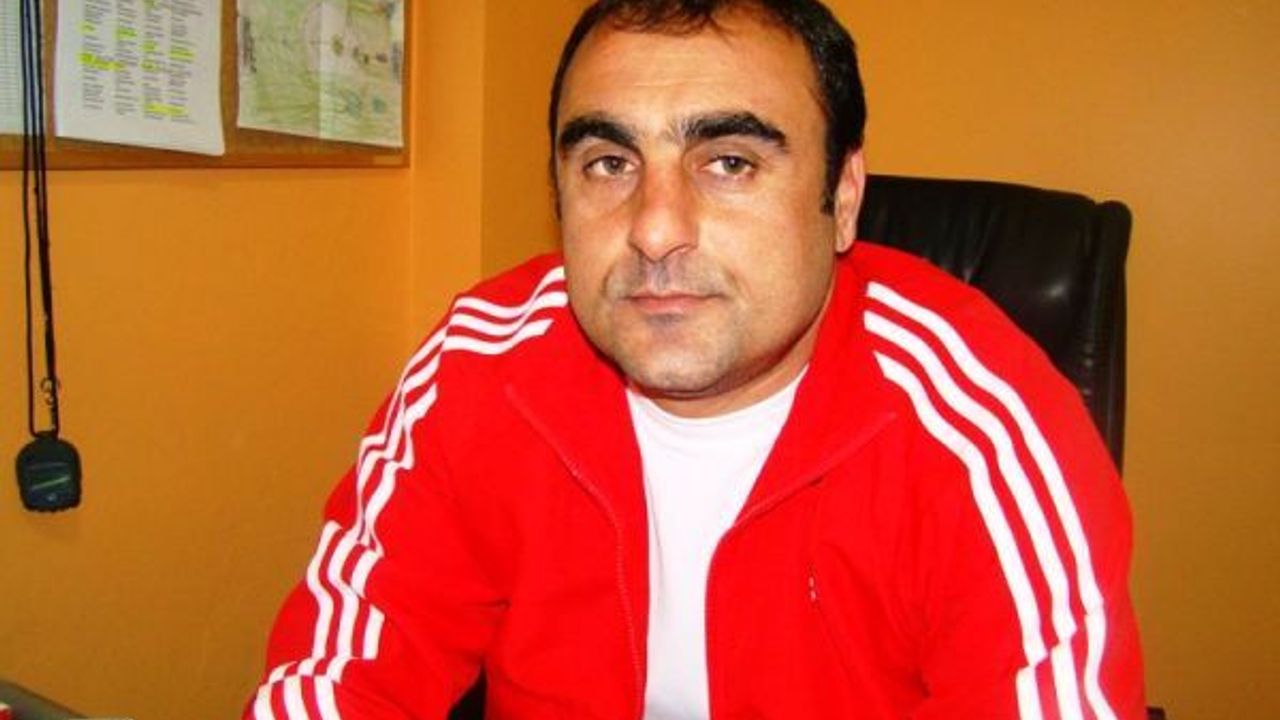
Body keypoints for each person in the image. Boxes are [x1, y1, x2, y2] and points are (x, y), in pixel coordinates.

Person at [244, 1, 1145, 718]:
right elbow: (339, 678)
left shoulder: (982, 426)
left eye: (729, 162)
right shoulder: (480, 366)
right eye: (608, 163)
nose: (655, 228)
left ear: (842, 197)